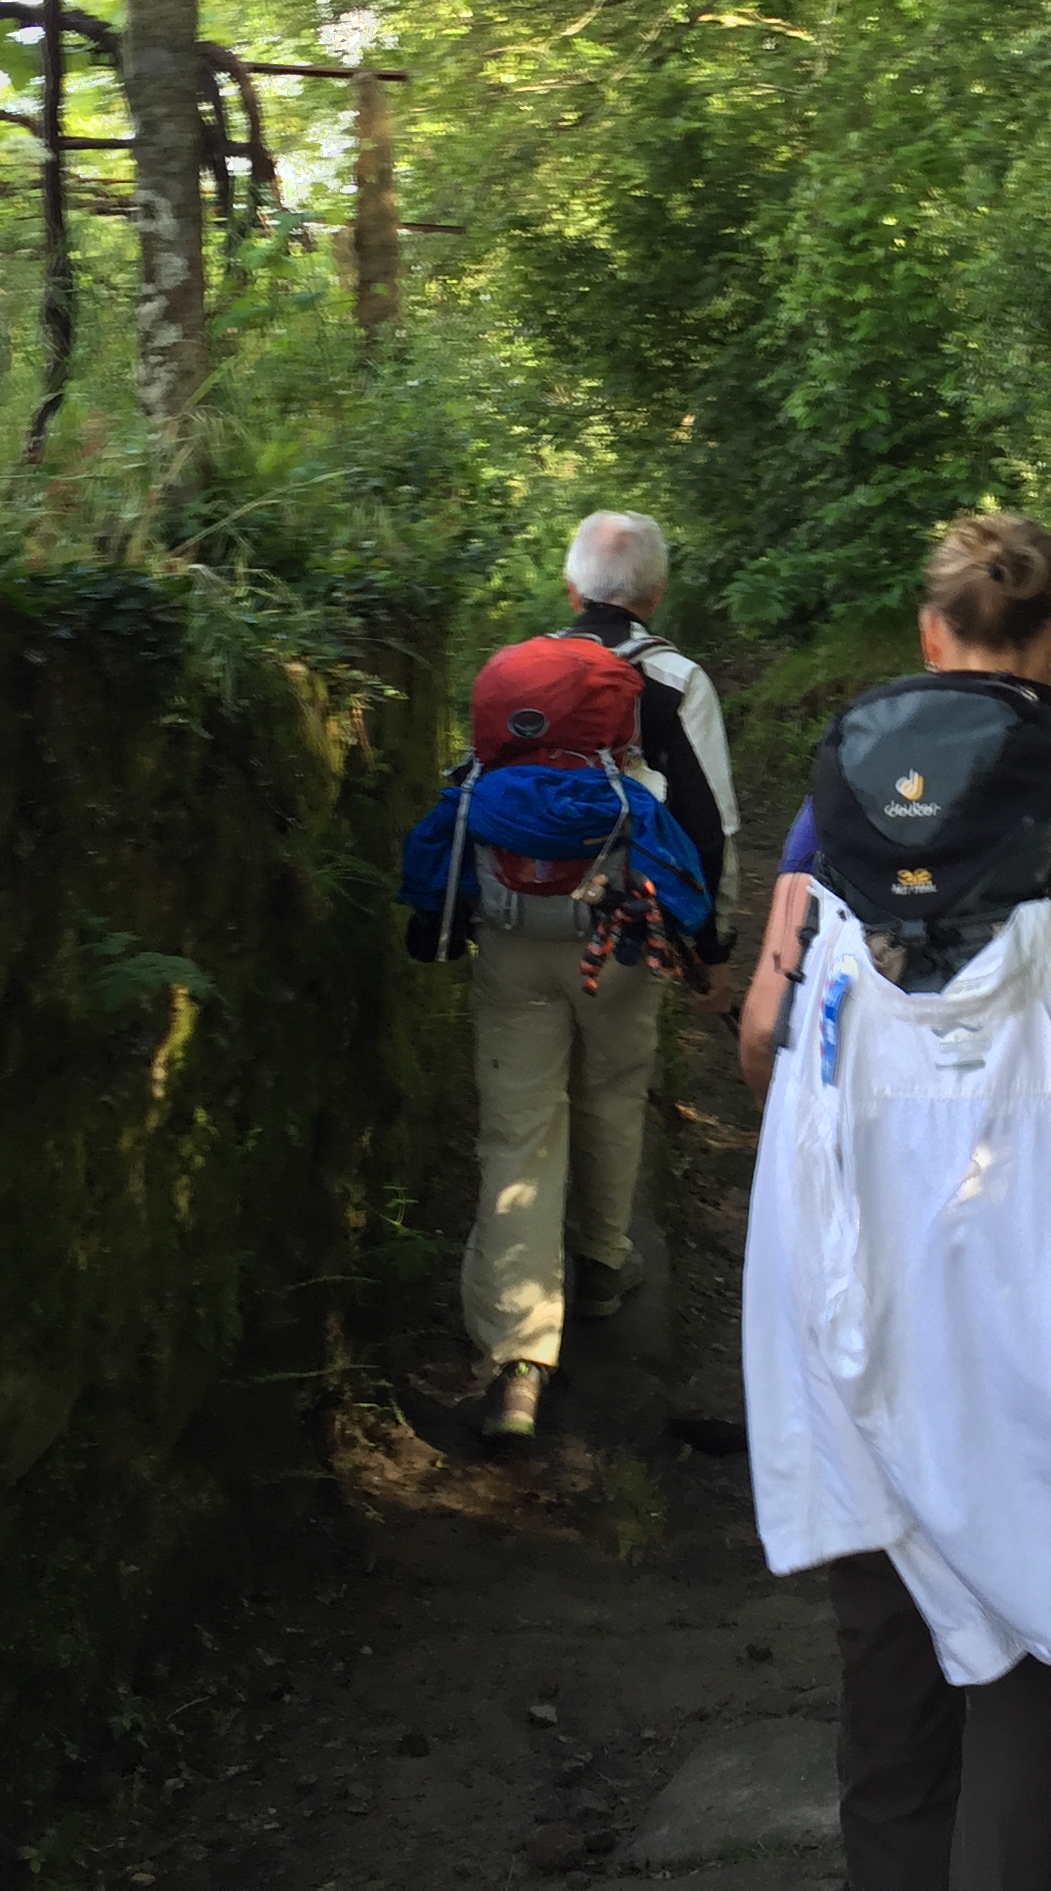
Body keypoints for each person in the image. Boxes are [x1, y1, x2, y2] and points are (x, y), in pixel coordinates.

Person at [736, 513, 1051, 1891]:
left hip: (879, 1263)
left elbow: (766, 1028)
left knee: (889, 1633)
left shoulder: (846, 799)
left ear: (930, 637)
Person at [460, 510, 739, 1443]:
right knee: (613, 1091)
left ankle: (518, 1358)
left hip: (510, 922)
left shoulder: (516, 675)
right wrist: (712, 952)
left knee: (517, 1129)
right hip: (622, 933)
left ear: (570, 588)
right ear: (656, 593)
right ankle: (604, 1265)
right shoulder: (676, 680)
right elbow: (708, 826)